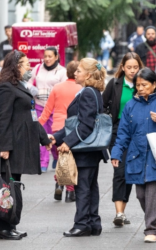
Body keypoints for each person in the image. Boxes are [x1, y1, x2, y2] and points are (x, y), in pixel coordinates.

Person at [110, 67, 156, 243]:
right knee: (141, 195)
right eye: (138, 85)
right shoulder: (131, 105)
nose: (140, 88)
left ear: (154, 84)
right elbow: (123, 132)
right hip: (136, 155)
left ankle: (150, 228)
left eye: (144, 85)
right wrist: (116, 153)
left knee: (153, 195)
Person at [0, 50, 52, 240]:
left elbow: (32, 117)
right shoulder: (5, 87)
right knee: (7, 187)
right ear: (15, 66)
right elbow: (2, 120)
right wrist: (4, 147)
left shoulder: (20, 86)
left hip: (21, 143)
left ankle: (9, 225)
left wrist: (45, 138)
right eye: (26, 63)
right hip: (12, 145)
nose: (30, 66)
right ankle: (2, 228)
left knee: (13, 185)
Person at [50, 58, 109, 237]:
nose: (75, 73)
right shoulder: (91, 91)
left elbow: (85, 124)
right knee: (90, 186)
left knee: (83, 187)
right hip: (91, 149)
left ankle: (82, 224)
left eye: (79, 71)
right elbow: (74, 123)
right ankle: (93, 223)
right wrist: (57, 137)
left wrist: (67, 142)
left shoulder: (88, 93)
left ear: (88, 75)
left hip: (86, 149)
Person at [102, 52, 143, 226]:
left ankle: (123, 209)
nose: (132, 71)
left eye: (135, 67)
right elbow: (102, 105)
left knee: (130, 171)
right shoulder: (115, 84)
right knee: (119, 171)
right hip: (118, 131)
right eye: (129, 67)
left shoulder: (144, 84)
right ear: (123, 68)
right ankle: (119, 213)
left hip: (140, 132)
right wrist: (108, 122)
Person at [38, 61, 81, 203]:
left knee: (60, 159)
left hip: (56, 129)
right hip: (74, 128)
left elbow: (47, 110)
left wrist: (37, 127)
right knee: (71, 160)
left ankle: (58, 183)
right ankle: (70, 191)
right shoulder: (81, 88)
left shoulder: (57, 88)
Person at [27, 47, 67, 173]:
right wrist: (31, 89)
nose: (47, 59)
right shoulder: (38, 68)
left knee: (54, 135)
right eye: (45, 56)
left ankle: (56, 157)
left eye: (50, 56)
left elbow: (63, 89)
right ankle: (43, 163)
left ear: (56, 57)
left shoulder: (62, 71)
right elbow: (28, 82)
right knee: (42, 134)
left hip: (55, 109)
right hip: (39, 106)